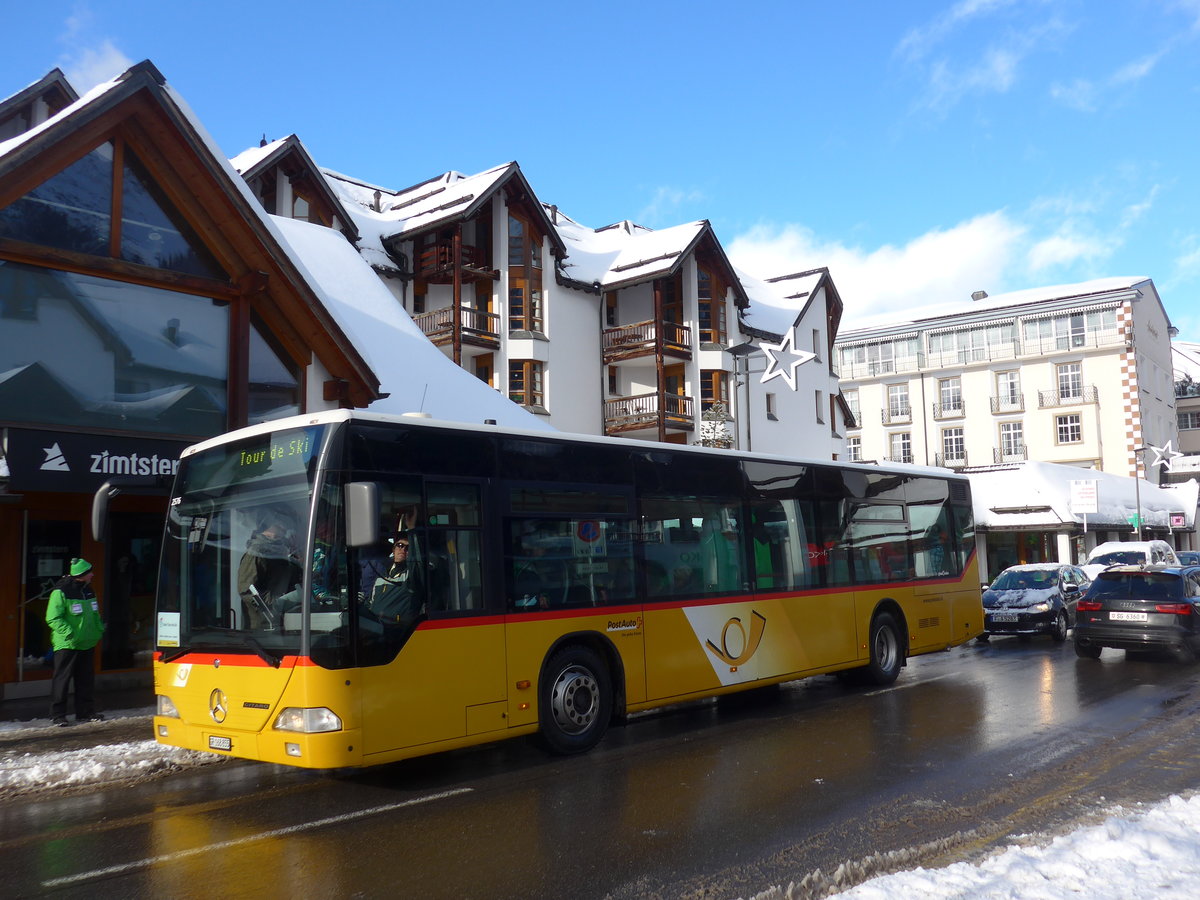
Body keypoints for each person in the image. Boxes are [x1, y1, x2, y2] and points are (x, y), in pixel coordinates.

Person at [45, 558, 106, 726]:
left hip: (87, 643)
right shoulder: (61, 591)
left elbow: (94, 614)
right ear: (82, 575)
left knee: (85, 679)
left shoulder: (89, 590)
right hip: (68, 644)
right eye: (90, 572)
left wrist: (98, 629)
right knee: (62, 680)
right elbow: (53, 618)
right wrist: (69, 633)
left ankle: (85, 712)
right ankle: (57, 715)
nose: (93, 574)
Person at [237, 509, 302, 630]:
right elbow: (247, 590)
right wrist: (275, 603)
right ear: (268, 525)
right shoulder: (256, 552)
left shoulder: (281, 551)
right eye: (281, 523)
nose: (285, 527)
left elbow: (287, 580)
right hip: (262, 625)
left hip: (284, 619)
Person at [366, 532, 423, 632]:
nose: (403, 549)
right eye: (400, 545)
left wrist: (411, 528)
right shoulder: (381, 575)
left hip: (398, 633)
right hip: (375, 630)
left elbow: (416, 563)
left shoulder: (411, 575)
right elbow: (371, 602)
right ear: (394, 549)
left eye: (408, 547)